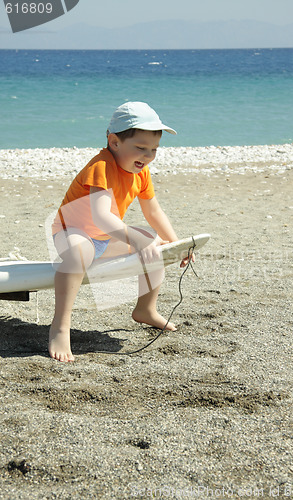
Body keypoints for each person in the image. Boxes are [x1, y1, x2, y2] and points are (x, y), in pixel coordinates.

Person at [49, 101, 193, 362]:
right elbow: (102, 217)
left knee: (155, 242)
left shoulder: (141, 173)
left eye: (154, 150)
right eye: (140, 148)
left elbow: (153, 212)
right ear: (114, 142)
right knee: (81, 250)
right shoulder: (101, 167)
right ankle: (60, 327)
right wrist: (136, 240)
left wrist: (176, 243)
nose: (148, 156)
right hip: (72, 234)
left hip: (104, 239)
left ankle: (146, 309)